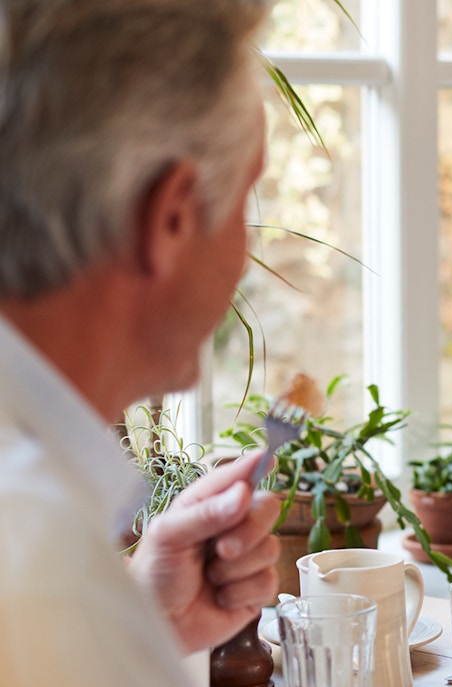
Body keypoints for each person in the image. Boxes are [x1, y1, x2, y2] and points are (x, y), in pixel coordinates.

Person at [0, 1, 282, 684]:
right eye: (246, 202)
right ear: (171, 217)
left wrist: (138, 620)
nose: (247, 254)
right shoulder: (40, 561)